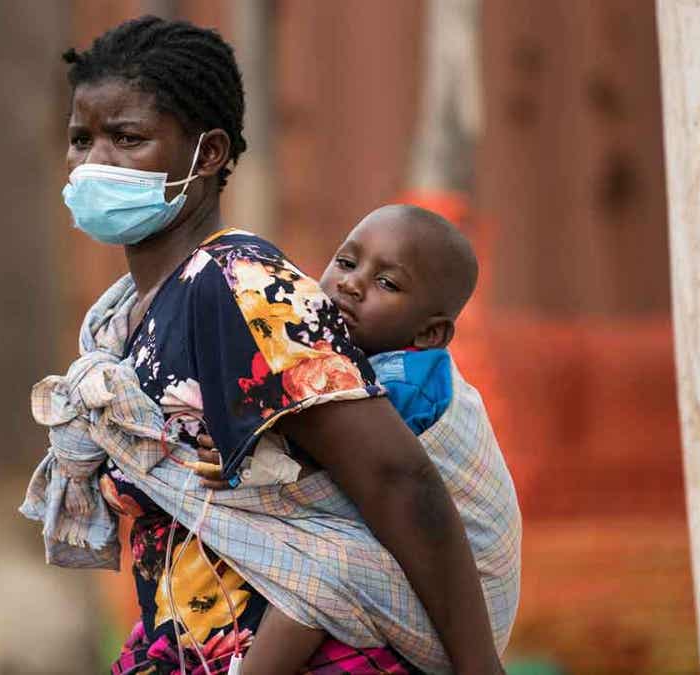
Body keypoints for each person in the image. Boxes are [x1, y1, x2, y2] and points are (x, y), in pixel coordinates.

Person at [35, 16, 501, 674]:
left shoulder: (235, 283)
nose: (94, 163)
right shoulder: (128, 322)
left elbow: (394, 475)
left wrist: (480, 667)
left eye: (127, 137)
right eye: (81, 138)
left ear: (210, 153)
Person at [194, 204, 522, 673]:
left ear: (430, 332)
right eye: (346, 263)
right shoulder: (352, 362)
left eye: (386, 283)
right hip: (409, 562)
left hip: (466, 592)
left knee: (320, 575)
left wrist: (253, 444)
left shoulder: (409, 383)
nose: (350, 284)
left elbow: (344, 468)